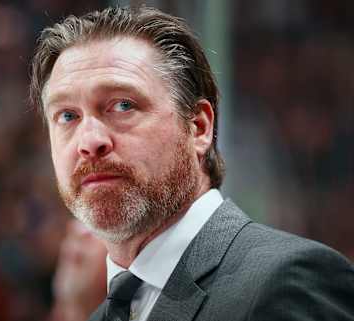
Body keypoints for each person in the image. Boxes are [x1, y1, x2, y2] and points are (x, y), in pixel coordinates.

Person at [30, 6, 354, 321]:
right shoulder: (99, 315)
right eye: (67, 116)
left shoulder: (289, 281)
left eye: (123, 105)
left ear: (199, 128)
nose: (89, 142)